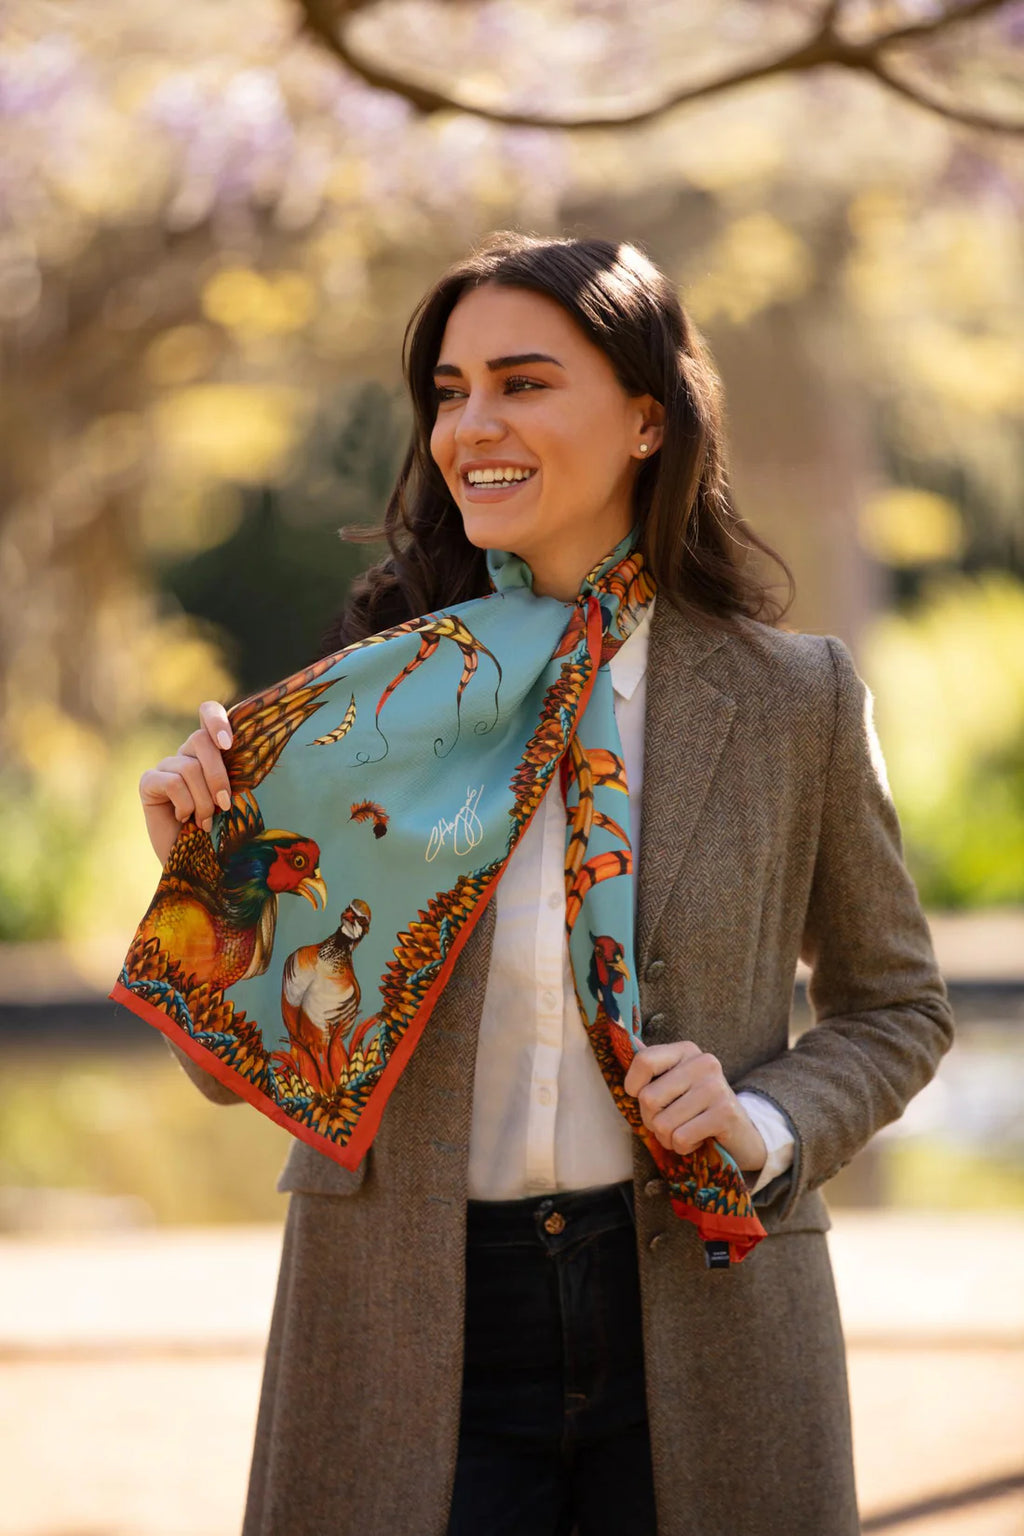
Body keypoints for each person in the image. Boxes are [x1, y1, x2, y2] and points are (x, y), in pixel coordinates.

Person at [135, 232, 954, 1536]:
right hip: (408, 1321)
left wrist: (766, 1119)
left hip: (706, 1317)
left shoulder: (797, 699)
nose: (472, 426)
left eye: (521, 382)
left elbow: (898, 1007)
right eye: (450, 392)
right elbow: (233, 1067)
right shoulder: (371, 702)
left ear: (646, 416)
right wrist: (207, 881)